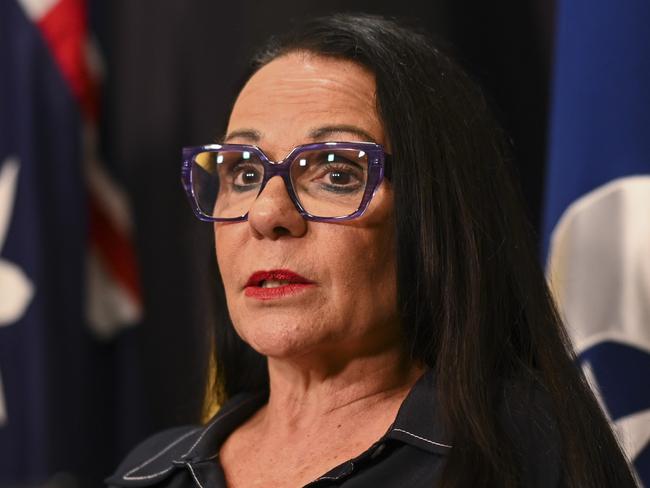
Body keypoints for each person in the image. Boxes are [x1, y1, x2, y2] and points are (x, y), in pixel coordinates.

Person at [106, 13, 637, 488]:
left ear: (434, 216)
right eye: (244, 173)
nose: (267, 214)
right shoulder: (151, 472)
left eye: (336, 172)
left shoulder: (527, 457)